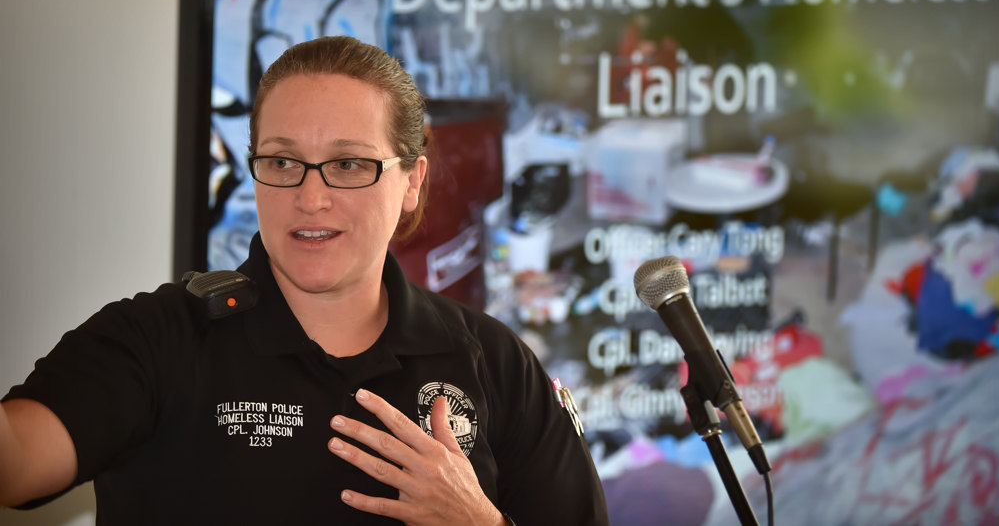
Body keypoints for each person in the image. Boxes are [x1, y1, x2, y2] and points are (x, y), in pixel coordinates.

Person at [0, 36, 609, 524]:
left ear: (412, 182)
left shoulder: (495, 364)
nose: (310, 197)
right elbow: (18, 462)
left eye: (348, 164)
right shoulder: (158, 338)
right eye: (283, 161)